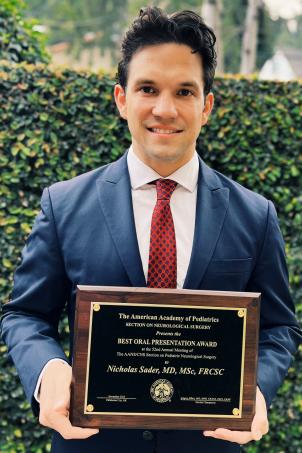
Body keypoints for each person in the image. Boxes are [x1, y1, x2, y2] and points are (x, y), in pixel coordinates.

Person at [1, 6, 301, 453]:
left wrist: (257, 392)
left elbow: (280, 328)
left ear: (207, 106)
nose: (165, 109)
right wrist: (48, 372)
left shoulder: (255, 216)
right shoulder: (63, 206)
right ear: (122, 99)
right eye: (148, 89)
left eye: (184, 91)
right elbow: (24, 314)